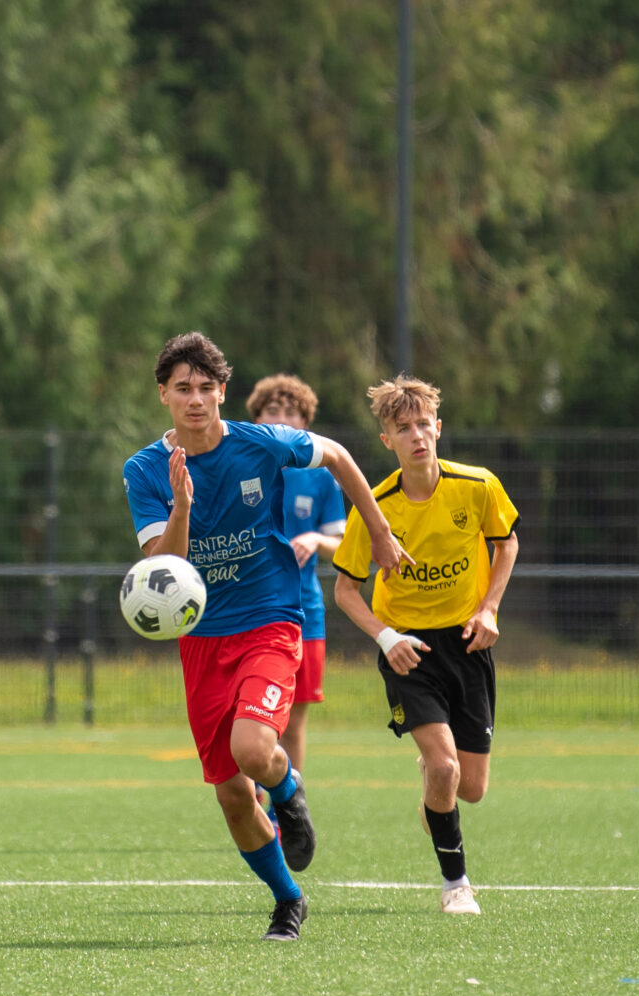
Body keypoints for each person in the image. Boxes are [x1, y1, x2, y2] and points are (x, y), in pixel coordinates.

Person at [122, 332, 409, 941]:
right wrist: (181, 507)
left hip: (269, 620)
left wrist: (380, 531)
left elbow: (337, 456)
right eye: (182, 388)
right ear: (163, 395)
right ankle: (288, 899)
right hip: (202, 639)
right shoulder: (145, 470)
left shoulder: (261, 443)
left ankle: (285, 788)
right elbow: (165, 569)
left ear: (223, 392)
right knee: (231, 795)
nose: (195, 399)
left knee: (254, 753)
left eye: (206, 387)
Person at [331, 375, 519, 917]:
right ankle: (456, 885)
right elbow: (345, 590)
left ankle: (437, 791)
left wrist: (489, 608)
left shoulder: (477, 486)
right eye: (402, 428)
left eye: (422, 425)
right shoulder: (376, 506)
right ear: (386, 440)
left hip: (468, 642)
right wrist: (385, 637)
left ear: (438, 428)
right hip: (408, 649)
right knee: (444, 769)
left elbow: (506, 542)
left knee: (470, 789)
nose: (416, 435)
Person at [245, 374, 346, 784]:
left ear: (305, 424)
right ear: (256, 420)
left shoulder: (321, 475)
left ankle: (285, 807)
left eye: (291, 413)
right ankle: (251, 797)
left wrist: (317, 539)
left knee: (293, 721)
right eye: (272, 411)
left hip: (304, 612)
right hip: (247, 609)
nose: (282, 420)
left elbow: (344, 545)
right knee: (246, 716)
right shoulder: (241, 465)